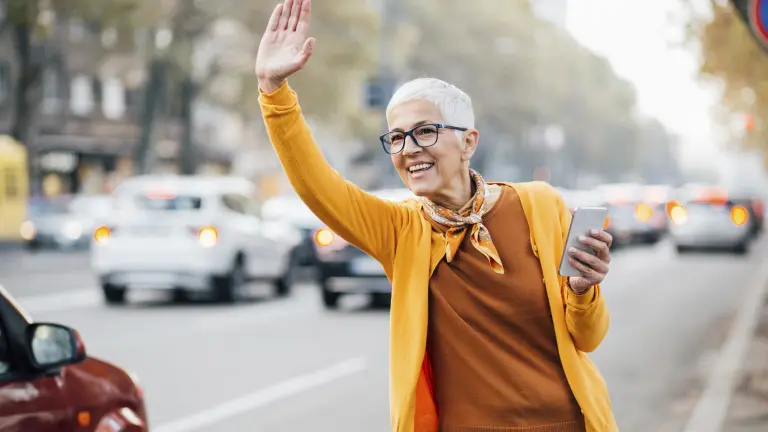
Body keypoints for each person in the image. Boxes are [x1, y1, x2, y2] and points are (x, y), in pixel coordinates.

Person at [255, 1, 617, 431]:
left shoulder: (540, 205)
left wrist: (581, 289)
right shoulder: (401, 230)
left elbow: (589, 337)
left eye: (425, 131)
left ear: (468, 143)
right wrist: (273, 91)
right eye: (396, 138)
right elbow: (319, 187)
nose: (408, 149)